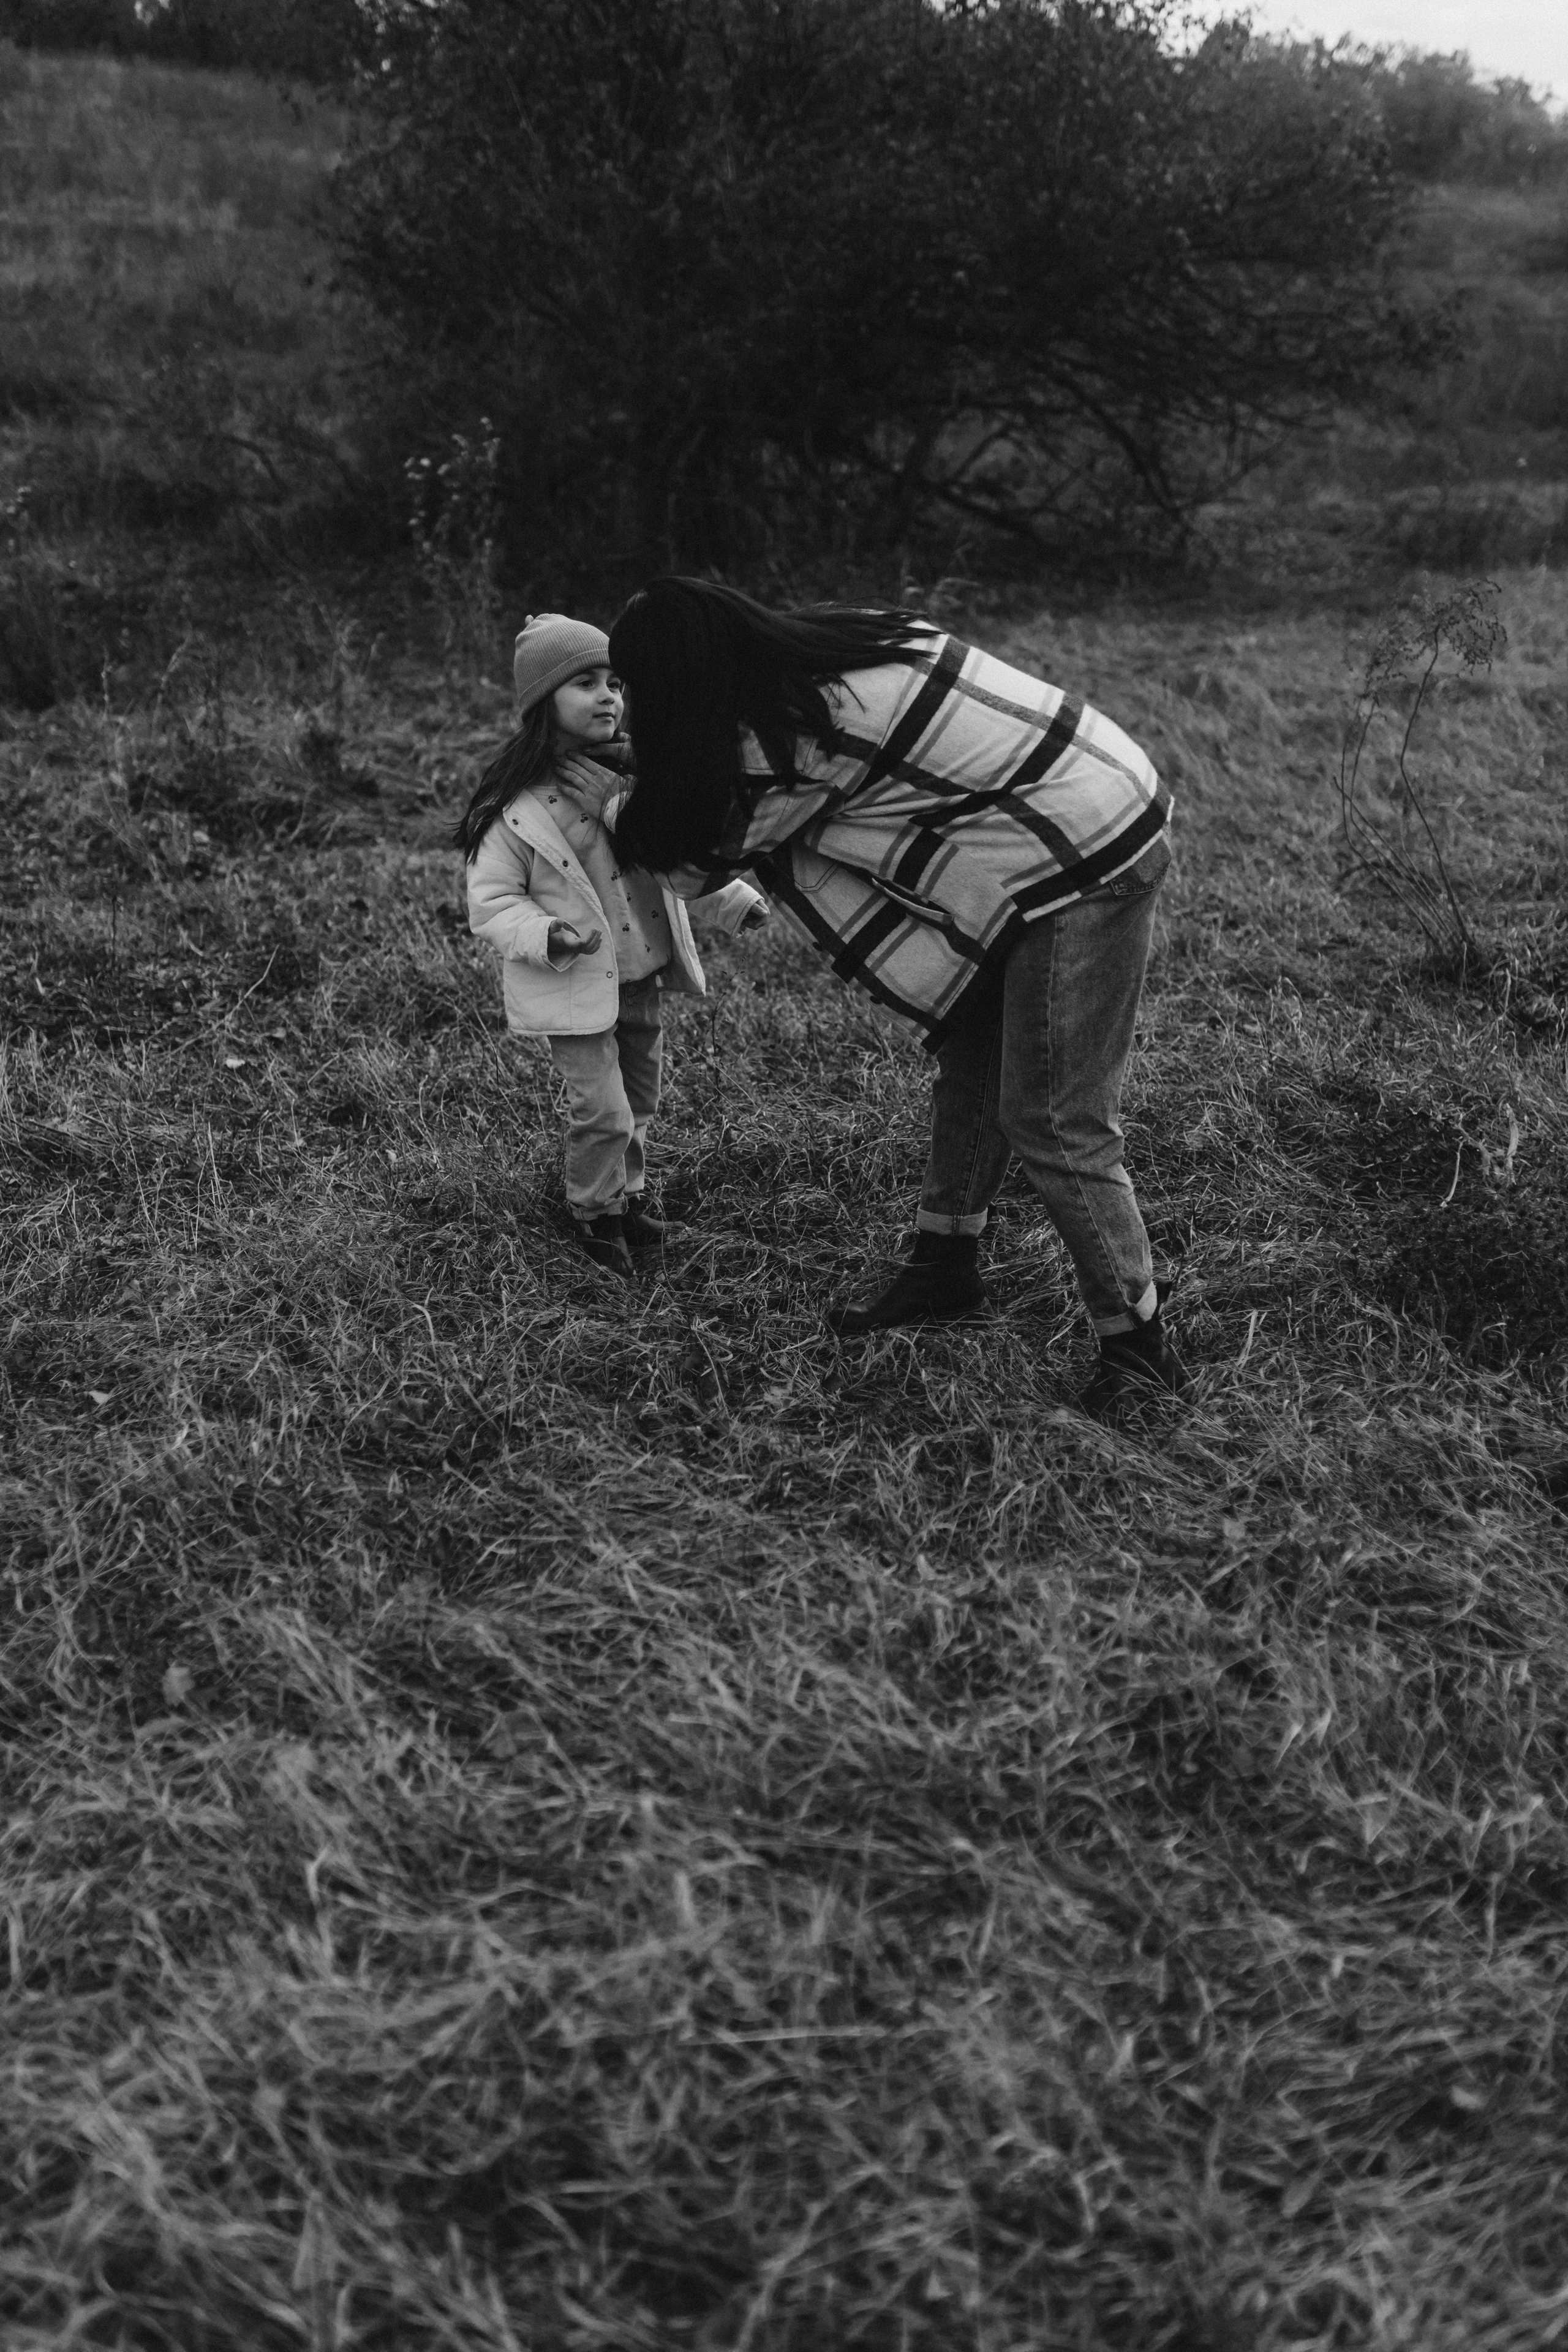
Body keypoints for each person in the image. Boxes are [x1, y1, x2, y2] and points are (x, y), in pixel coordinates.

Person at [607, 578, 1185, 1417]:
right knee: (973, 1045)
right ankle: (943, 1267)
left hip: (1087, 851)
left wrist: (621, 795)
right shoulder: (846, 642)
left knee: (1056, 1119)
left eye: (636, 690)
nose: (627, 706)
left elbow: (698, 856)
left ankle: (1139, 1352)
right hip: (1086, 787)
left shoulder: (790, 742)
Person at [460, 612, 767, 1275]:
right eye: (586, 684)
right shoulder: (518, 806)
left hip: (642, 973)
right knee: (600, 1107)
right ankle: (594, 1214)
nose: (609, 697)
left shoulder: (634, 782)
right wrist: (546, 933)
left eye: (616, 682)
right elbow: (489, 902)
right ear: (544, 702)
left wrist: (733, 901)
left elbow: (671, 859)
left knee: (639, 1096)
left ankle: (628, 1197)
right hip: (573, 980)